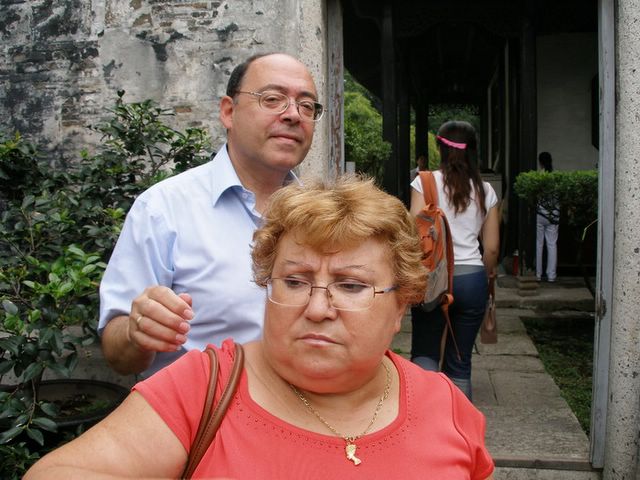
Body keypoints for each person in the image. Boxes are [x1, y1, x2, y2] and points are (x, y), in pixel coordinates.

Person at [24, 176, 495, 479]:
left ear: (400, 306)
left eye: (351, 285)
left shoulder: (445, 405)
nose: (317, 308)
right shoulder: (204, 388)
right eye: (295, 281)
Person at [98, 52, 324, 378]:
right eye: (273, 99)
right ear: (229, 112)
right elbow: (116, 352)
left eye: (306, 106)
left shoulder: (321, 216)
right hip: (204, 408)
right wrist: (138, 331)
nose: (293, 115)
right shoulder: (163, 209)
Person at [409, 121, 500, 400]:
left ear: (440, 148)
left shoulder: (424, 182)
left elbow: (413, 235)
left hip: (432, 278)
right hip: (472, 279)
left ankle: (423, 417)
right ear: (473, 150)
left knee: (425, 352)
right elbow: (492, 249)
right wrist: (486, 277)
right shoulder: (486, 190)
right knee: (460, 362)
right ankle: (458, 422)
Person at [536, 151, 559, 283]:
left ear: (540, 163)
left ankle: (538, 274)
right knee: (552, 244)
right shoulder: (556, 177)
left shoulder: (538, 177)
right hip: (553, 215)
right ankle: (551, 275)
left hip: (540, 214)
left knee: (539, 244)